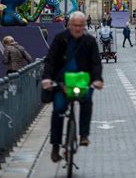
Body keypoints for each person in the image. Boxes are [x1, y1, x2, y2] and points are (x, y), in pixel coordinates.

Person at [42, 11, 103, 163]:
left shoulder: (89, 41)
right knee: (58, 111)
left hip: (82, 81)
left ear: (84, 26)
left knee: (87, 102)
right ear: (69, 25)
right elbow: (51, 60)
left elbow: (96, 62)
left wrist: (97, 80)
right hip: (62, 82)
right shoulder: (60, 39)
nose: (77, 28)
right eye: (75, 25)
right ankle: (55, 145)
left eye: (81, 26)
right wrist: (47, 79)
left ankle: (83, 135)